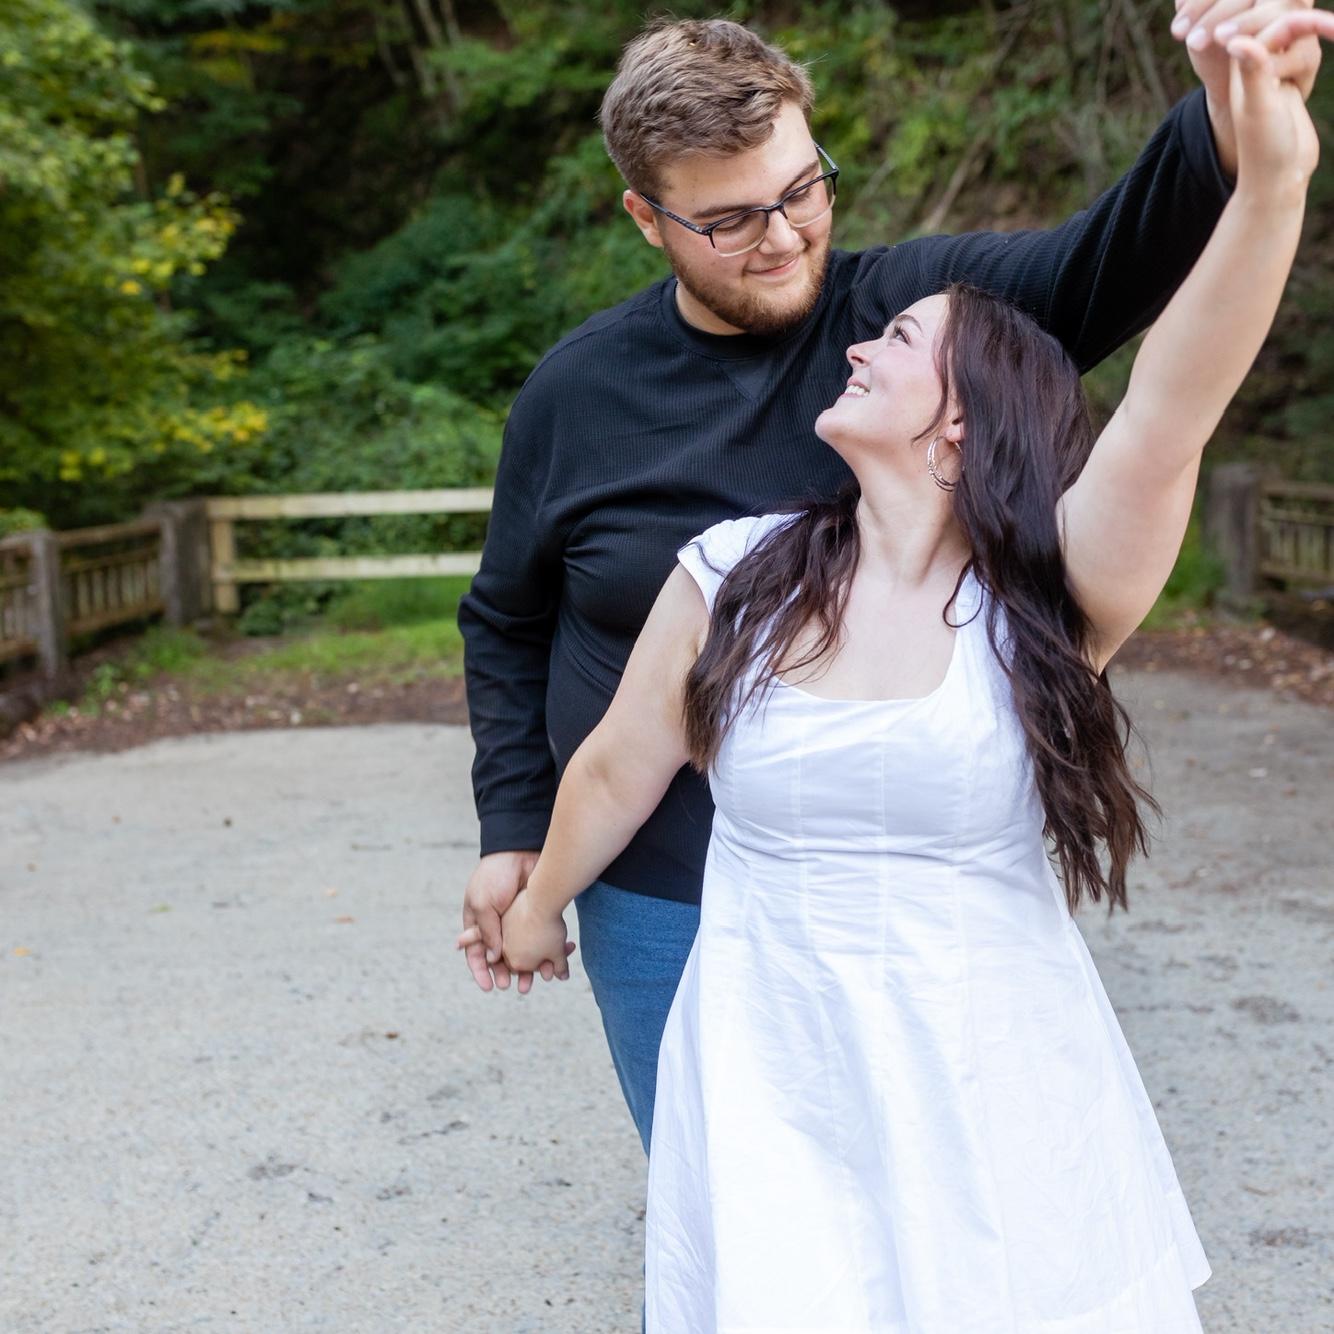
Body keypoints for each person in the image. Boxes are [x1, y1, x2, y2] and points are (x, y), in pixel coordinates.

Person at [463, 15, 1334, 1329]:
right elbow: (543, 666)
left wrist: (1243, 133)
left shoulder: (1022, 575)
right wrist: (520, 857)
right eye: (731, 219)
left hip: (967, 996)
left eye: (803, 191)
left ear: (963, 418)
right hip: (691, 919)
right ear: (647, 218)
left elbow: (1154, 354)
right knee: (772, 1244)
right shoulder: (657, 483)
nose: (784, 237)